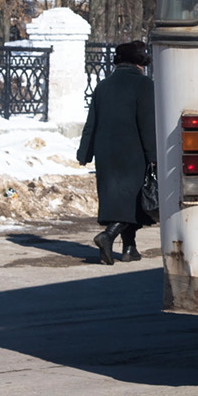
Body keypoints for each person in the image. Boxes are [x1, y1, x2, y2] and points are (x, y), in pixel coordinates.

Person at [77, 40, 157, 265]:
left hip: (105, 153)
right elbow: (147, 124)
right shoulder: (143, 85)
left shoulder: (103, 86)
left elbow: (91, 122)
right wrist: (154, 156)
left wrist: (85, 152)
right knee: (132, 202)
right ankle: (108, 236)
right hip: (132, 153)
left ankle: (130, 249)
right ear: (140, 63)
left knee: (118, 201)